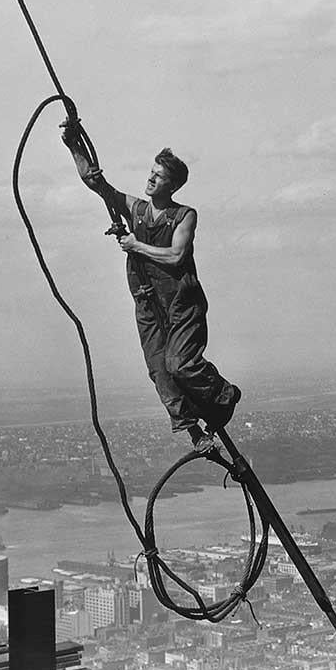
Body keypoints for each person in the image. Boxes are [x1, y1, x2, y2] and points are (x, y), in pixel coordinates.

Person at [61, 116, 240, 451]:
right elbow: (98, 185)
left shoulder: (184, 215)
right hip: (147, 300)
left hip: (181, 304)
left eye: (159, 176)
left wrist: (135, 245)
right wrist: (73, 144)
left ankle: (224, 395)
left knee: (180, 364)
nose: (151, 178)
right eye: (152, 172)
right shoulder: (137, 209)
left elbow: (176, 256)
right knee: (160, 370)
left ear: (171, 185)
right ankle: (195, 434)